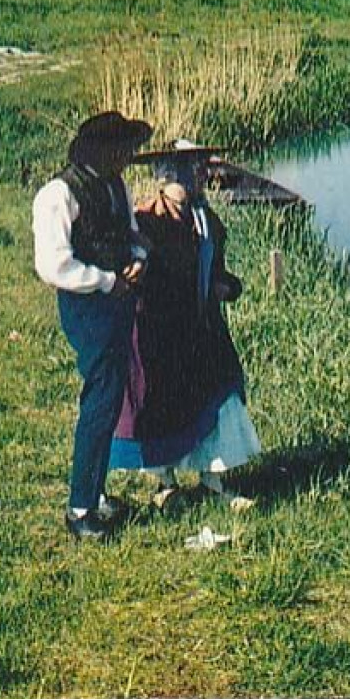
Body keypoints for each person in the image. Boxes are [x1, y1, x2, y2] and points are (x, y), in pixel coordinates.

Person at [110, 140, 261, 510]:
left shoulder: (206, 221)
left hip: (201, 328)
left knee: (220, 393)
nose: (198, 175)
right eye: (186, 168)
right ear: (163, 177)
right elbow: (127, 273)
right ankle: (165, 483)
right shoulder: (145, 220)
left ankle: (214, 478)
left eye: (199, 167)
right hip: (157, 331)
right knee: (159, 405)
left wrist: (228, 287)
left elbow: (219, 271)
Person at [32, 110, 154, 542]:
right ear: (98, 149)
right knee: (100, 402)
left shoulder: (115, 184)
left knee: (111, 396)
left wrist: (138, 262)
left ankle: (96, 494)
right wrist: (107, 281)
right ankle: (80, 508)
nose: (127, 157)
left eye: (128, 149)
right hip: (87, 308)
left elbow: (134, 234)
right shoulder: (58, 194)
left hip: (119, 301)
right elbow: (53, 265)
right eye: (120, 149)